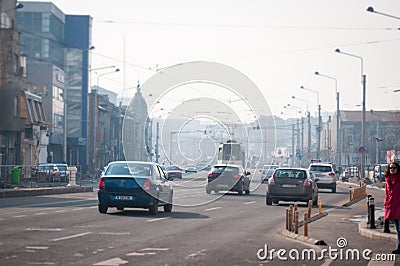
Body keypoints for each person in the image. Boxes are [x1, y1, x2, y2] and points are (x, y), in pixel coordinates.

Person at [384, 162, 400, 254]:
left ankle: (399, 247)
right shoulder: (388, 180)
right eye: (390, 168)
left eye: (394, 168)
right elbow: (387, 194)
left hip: (399, 205)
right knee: (398, 228)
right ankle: (398, 247)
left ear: (397, 169)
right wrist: (386, 204)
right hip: (393, 206)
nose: (392, 169)